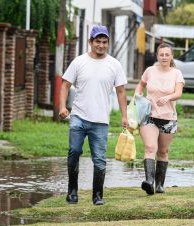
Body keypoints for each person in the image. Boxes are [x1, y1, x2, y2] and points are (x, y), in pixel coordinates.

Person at [59, 25, 128, 205]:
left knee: (99, 159)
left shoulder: (114, 65)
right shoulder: (79, 62)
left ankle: (97, 195)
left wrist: (124, 116)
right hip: (78, 117)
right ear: (90, 42)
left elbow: (121, 92)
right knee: (74, 151)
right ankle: (72, 191)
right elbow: (65, 84)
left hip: (100, 121)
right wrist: (62, 107)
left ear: (108, 44)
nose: (101, 45)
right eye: (97, 41)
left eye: (104, 42)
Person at [135, 43, 185, 195]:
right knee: (150, 148)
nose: (164, 57)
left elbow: (178, 93)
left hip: (168, 118)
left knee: (163, 151)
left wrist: (168, 97)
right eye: (161, 54)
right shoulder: (150, 71)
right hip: (149, 116)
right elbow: (140, 86)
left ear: (171, 57)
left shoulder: (176, 73)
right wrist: (138, 95)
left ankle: (159, 185)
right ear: (157, 56)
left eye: (167, 55)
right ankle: (149, 182)